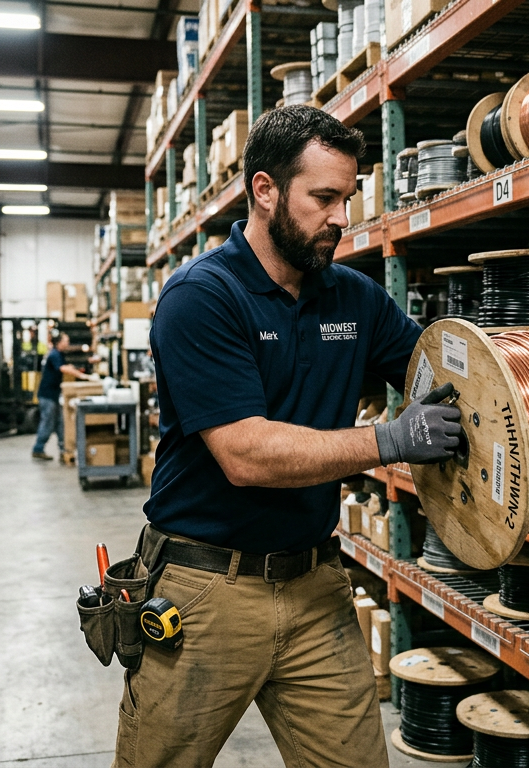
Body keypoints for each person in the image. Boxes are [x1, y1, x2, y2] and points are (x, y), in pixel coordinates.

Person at [109, 105, 462, 767]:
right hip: (204, 587)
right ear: (264, 191)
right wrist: (391, 440)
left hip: (313, 584)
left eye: (348, 198)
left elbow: (443, 372)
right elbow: (245, 453)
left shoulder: (353, 300)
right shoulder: (202, 297)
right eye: (323, 198)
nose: (341, 218)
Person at [32, 331, 86, 460]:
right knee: (48, 422)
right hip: (47, 395)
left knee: (60, 423)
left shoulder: (59, 354)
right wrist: (82, 376)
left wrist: (73, 367)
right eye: (66, 341)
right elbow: (62, 368)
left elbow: (65, 366)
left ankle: (64, 450)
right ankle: (38, 449)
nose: (67, 343)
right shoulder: (54, 354)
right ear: (59, 342)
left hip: (54, 394)